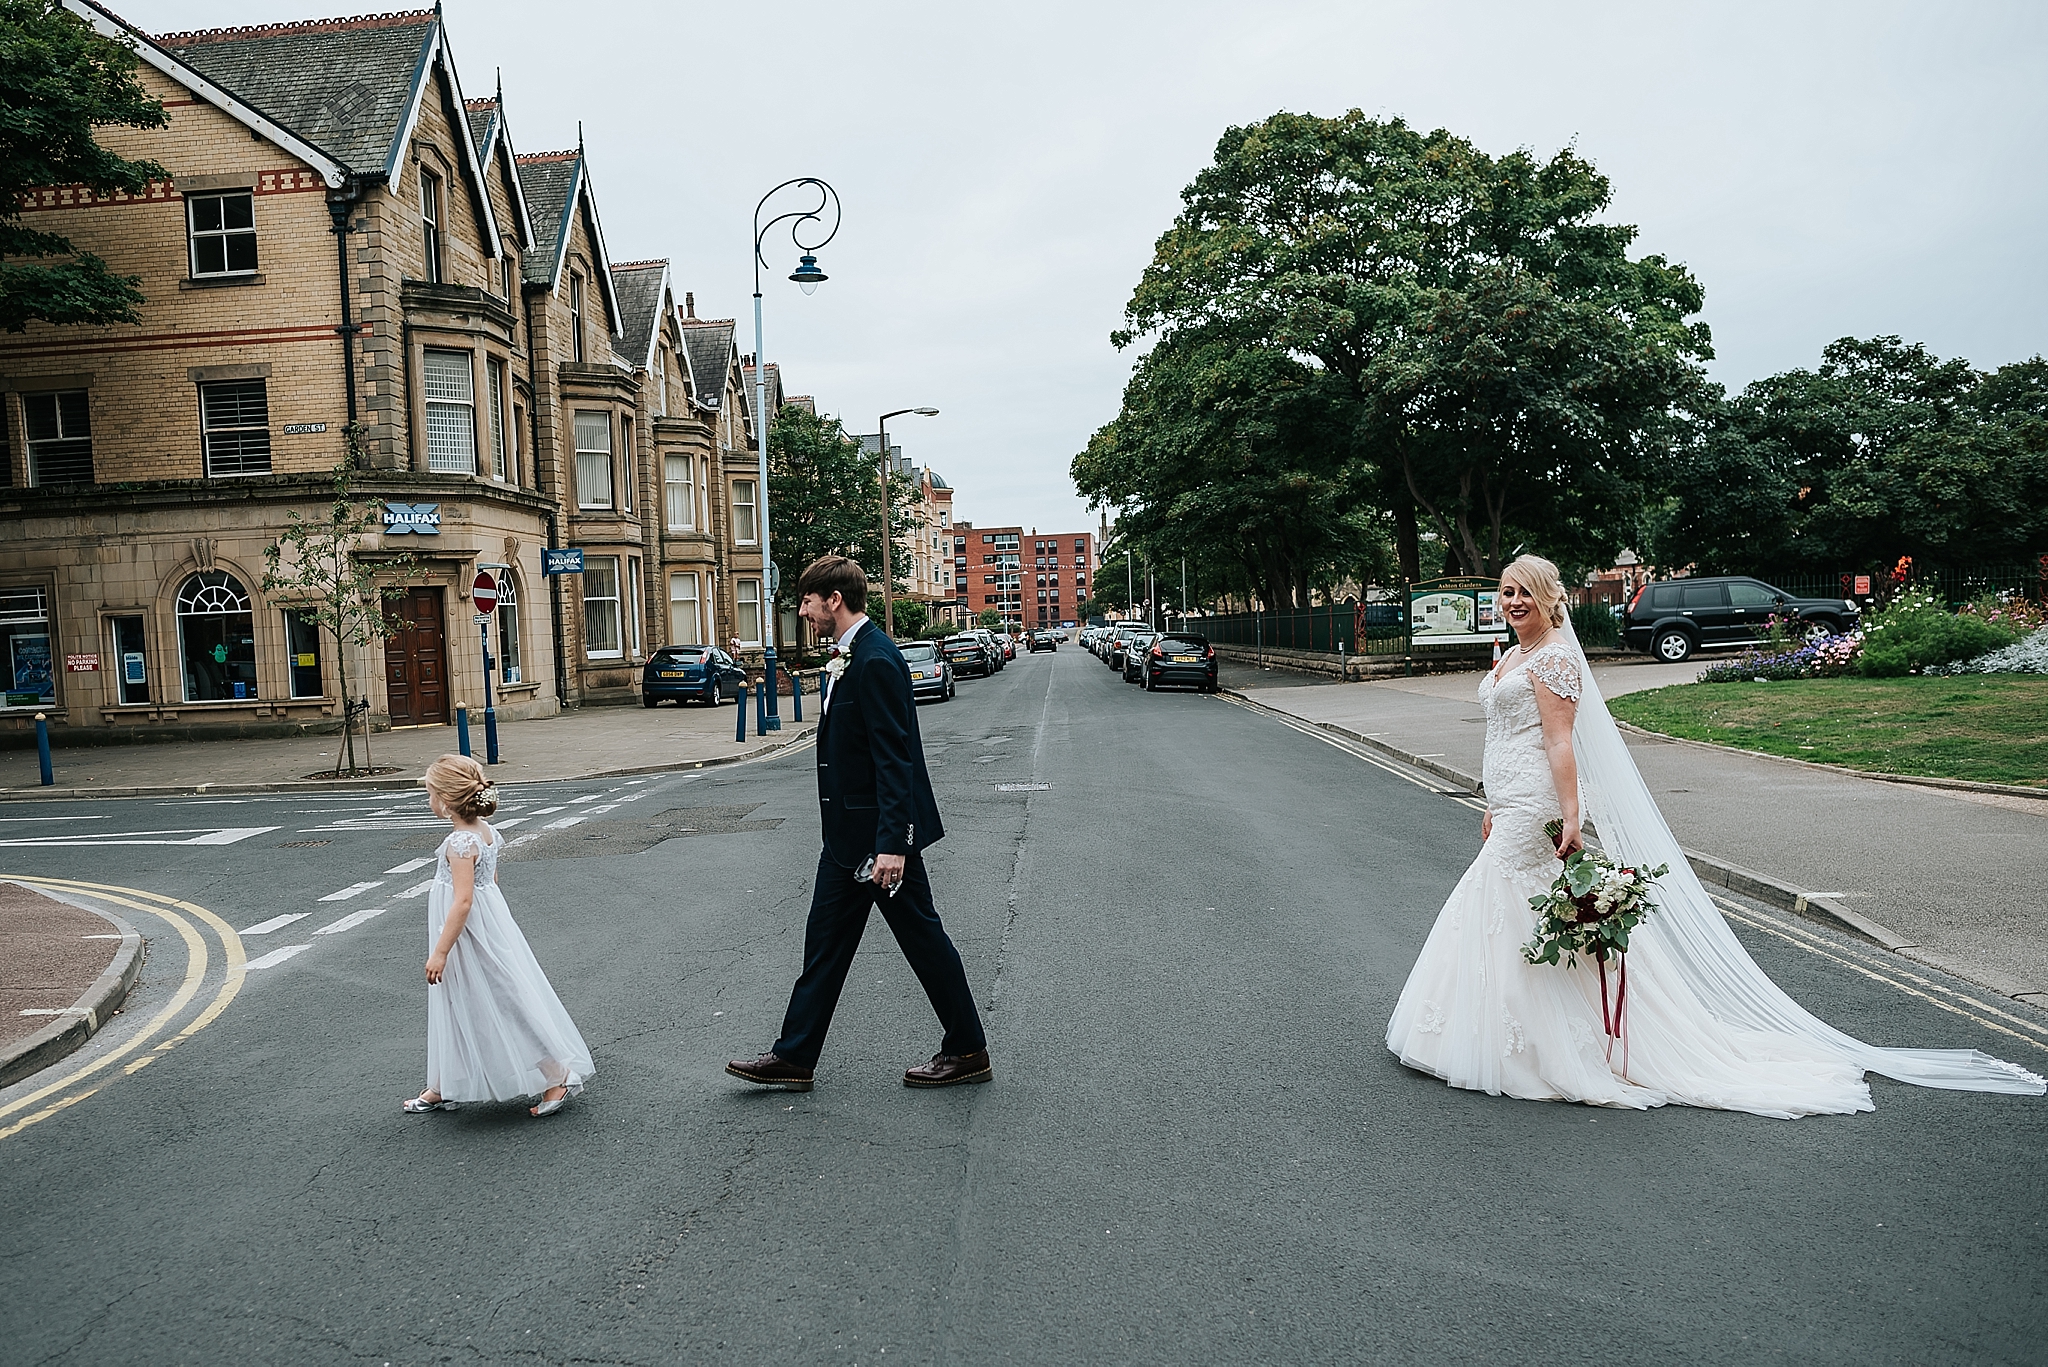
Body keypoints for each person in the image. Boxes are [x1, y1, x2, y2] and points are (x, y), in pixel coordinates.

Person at [1386, 555, 2043, 1118]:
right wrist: (1493, 802)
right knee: (1509, 910)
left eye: (1526, 591)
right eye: (1507, 591)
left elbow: (1560, 743)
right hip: (1510, 799)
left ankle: (1546, 1044)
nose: (1514, 601)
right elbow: (1503, 735)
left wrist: (1572, 816)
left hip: (1539, 801)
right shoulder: (1517, 654)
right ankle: (1522, 1034)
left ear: (1551, 599)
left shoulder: (1555, 659)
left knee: (1506, 906)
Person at [728, 555, 990, 1092]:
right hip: (848, 840)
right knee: (824, 946)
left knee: (923, 941)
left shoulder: (873, 660)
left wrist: (893, 845)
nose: (803, 612)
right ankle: (795, 1055)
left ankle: (967, 1048)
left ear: (834, 600)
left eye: (807, 601)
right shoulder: (852, 657)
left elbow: (895, 758)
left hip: (878, 843)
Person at [404, 754, 594, 1119]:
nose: (428, 801)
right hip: (485, 928)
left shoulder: (459, 843)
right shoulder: (486, 833)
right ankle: (444, 1084)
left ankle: (557, 1075)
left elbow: (462, 902)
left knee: (500, 1001)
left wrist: (441, 951)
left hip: (468, 936)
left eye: (429, 794)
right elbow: (489, 885)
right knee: (462, 1001)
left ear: (445, 800)